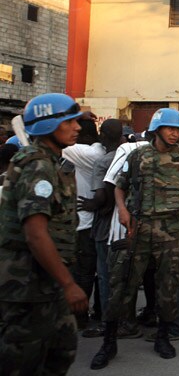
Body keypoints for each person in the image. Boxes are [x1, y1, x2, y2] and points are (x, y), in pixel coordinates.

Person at [91, 108, 179, 368]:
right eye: (170, 129)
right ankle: (109, 342)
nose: (176, 134)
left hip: (172, 231)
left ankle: (163, 336)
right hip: (139, 229)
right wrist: (122, 209)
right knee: (122, 285)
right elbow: (119, 186)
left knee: (169, 285)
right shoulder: (138, 155)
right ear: (156, 130)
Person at [0, 93, 87, 375]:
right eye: (70, 122)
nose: (77, 127)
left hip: (48, 282)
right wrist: (68, 285)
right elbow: (36, 234)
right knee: (22, 363)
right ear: (48, 126)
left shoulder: (51, 163)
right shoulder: (37, 167)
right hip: (25, 285)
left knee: (62, 350)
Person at [76, 119, 125, 339]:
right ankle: (123, 319)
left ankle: (107, 322)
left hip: (105, 225)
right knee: (121, 275)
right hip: (126, 223)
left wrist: (90, 204)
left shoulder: (103, 161)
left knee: (104, 276)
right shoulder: (129, 155)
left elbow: (101, 195)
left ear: (103, 135)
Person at [63, 117, 105, 329]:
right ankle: (98, 311)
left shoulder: (87, 153)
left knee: (84, 272)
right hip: (98, 220)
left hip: (85, 222)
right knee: (98, 271)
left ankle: (80, 317)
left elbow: (58, 144)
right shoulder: (100, 150)